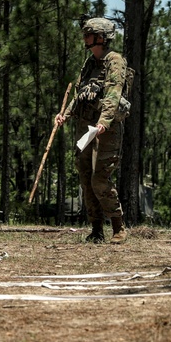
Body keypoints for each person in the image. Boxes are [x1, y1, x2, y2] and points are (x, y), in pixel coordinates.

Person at [55, 17, 130, 244]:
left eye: (88, 34)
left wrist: (104, 122)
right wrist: (65, 115)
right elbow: (80, 94)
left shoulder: (115, 61)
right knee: (86, 178)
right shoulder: (89, 64)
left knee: (100, 179)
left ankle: (118, 226)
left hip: (105, 130)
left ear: (101, 37)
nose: (85, 38)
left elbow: (113, 95)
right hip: (85, 128)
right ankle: (96, 229)